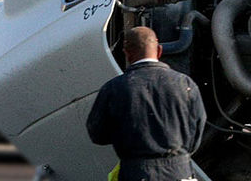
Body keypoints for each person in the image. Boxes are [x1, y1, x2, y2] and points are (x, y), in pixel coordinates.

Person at [86, 26, 207, 181]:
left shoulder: (113, 89)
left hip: (137, 172)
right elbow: (197, 127)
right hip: (180, 171)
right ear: (159, 50)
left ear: (127, 53)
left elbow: (97, 134)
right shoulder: (185, 84)